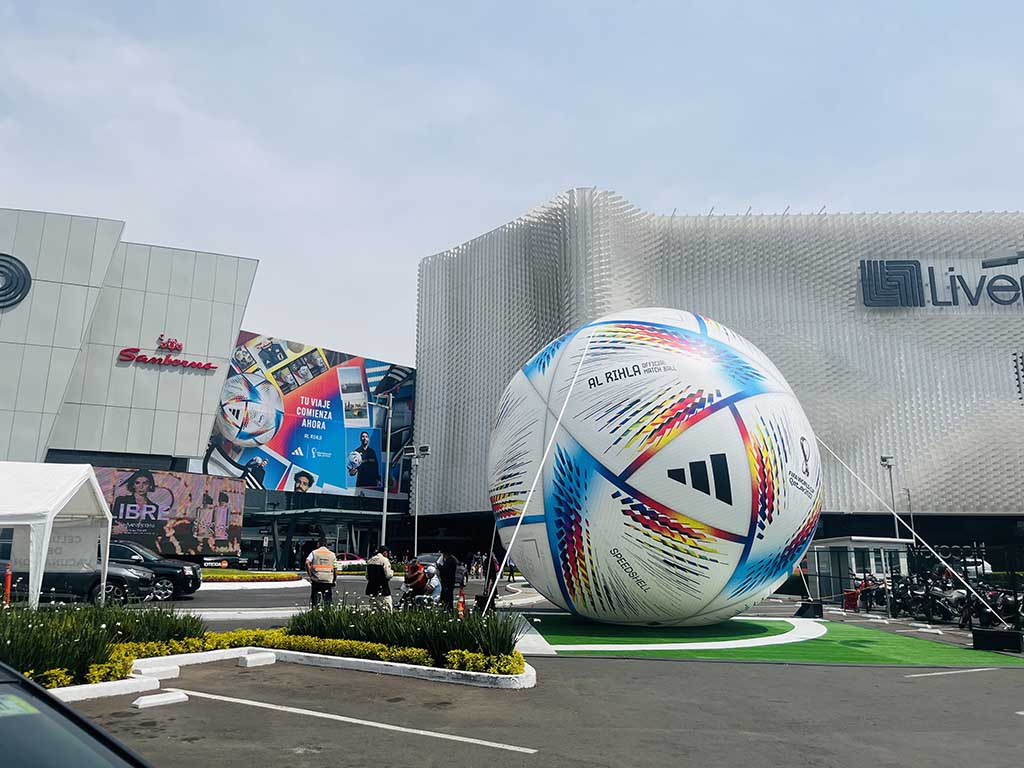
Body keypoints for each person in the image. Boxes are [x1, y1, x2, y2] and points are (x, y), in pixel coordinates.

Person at [305, 537, 337, 607]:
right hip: (328, 580)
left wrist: (310, 575)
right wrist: (334, 580)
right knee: (328, 602)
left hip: (317, 580)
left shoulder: (314, 553)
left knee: (315, 602)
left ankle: (315, 613)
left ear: (318, 544)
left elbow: (307, 563)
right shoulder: (332, 554)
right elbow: (335, 568)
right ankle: (327, 615)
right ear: (326, 544)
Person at [365, 546, 394, 610]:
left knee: (374, 609)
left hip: (371, 588)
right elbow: (388, 575)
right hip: (383, 588)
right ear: (385, 553)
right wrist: (392, 572)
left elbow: (367, 576)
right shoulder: (384, 560)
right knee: (387, 608)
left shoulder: (370, 560)